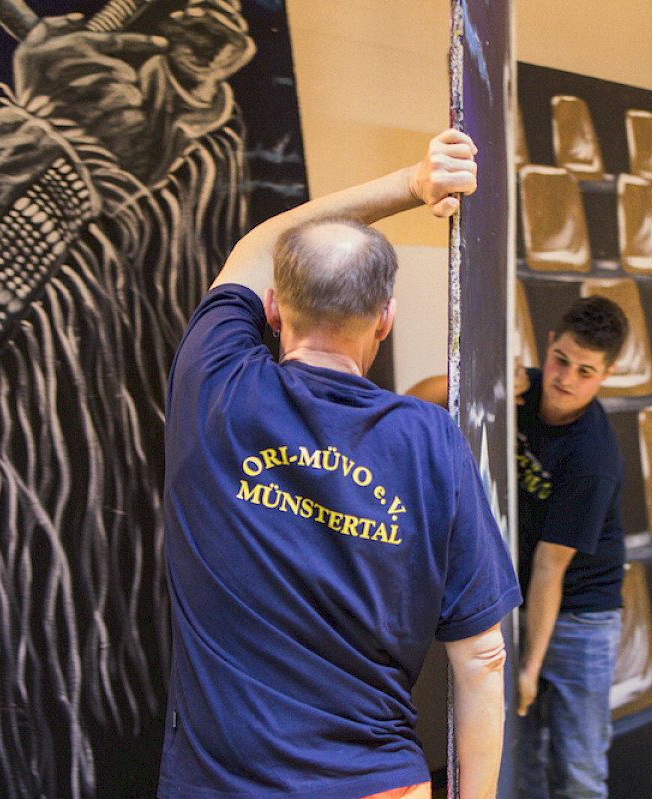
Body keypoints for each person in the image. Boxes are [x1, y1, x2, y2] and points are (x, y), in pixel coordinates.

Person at [160, 129, 522, 799]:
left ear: (273, 307)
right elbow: (483, 656)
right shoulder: (430, 438)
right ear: (385, 319)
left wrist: (412, 184)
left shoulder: (213, 385)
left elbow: (256, 249)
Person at [514, 296, 629, 799]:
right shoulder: (523, 388)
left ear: (607, 374)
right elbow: (422, 397)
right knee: (519, 763)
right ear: (549, 346)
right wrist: (488, 382)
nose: (565, 379)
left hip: (582, 615)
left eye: (586, 371)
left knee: (578, 772)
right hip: (523, 602)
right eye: (560, 360)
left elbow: (549, 569)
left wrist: (529, 668)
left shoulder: (592, 459)